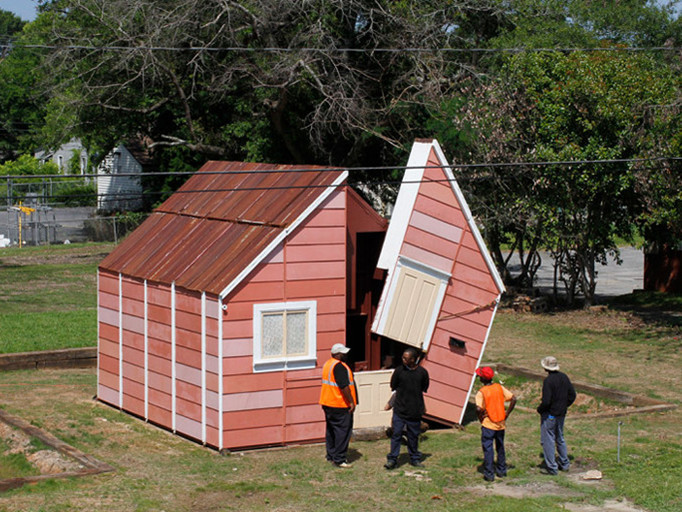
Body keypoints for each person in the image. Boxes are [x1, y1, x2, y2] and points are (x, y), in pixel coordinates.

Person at [384, 347, 429, 470]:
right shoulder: (399, 371)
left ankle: (414, 458)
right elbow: (393, 385)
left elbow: (424, 388)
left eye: (407, 358)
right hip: (400, 410)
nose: (404, 360)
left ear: (413, 359)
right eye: (403, 357)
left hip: (414, 411)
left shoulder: (422, 373)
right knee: (396, 435)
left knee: (413, 436)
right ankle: (392, 459)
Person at [319, 343, 358, 468]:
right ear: (338, 354)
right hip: (339, 404)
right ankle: (339, 459)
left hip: (327, 402)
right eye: (343, 353)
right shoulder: (339, 367)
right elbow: (344, 386)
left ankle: (331, 455)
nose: (345, 355)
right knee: (343, 431)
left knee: (331, 430)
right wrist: (351, 401)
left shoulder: (327, 364)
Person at [474, 366, 516, 482]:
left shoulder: (481, 392)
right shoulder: (499, 387)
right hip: (500, 423)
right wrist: (506, 414)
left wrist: (480, 419)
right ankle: (502, 471)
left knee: (488, 449)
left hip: (488, 424)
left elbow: (478, 409)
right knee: (500, 447)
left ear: (482, 379)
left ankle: (489, 474)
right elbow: (513, 398)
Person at [537, 356, 576, 475]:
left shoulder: (548, 381)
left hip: (550, 414)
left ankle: (552, 467)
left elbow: (546, 401)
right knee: (560, 438)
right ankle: (564, 463)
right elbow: (572, 395)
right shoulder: (564, 377)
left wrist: (540, 409)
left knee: (548, 440)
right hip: (561, 413)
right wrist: (564, 405)